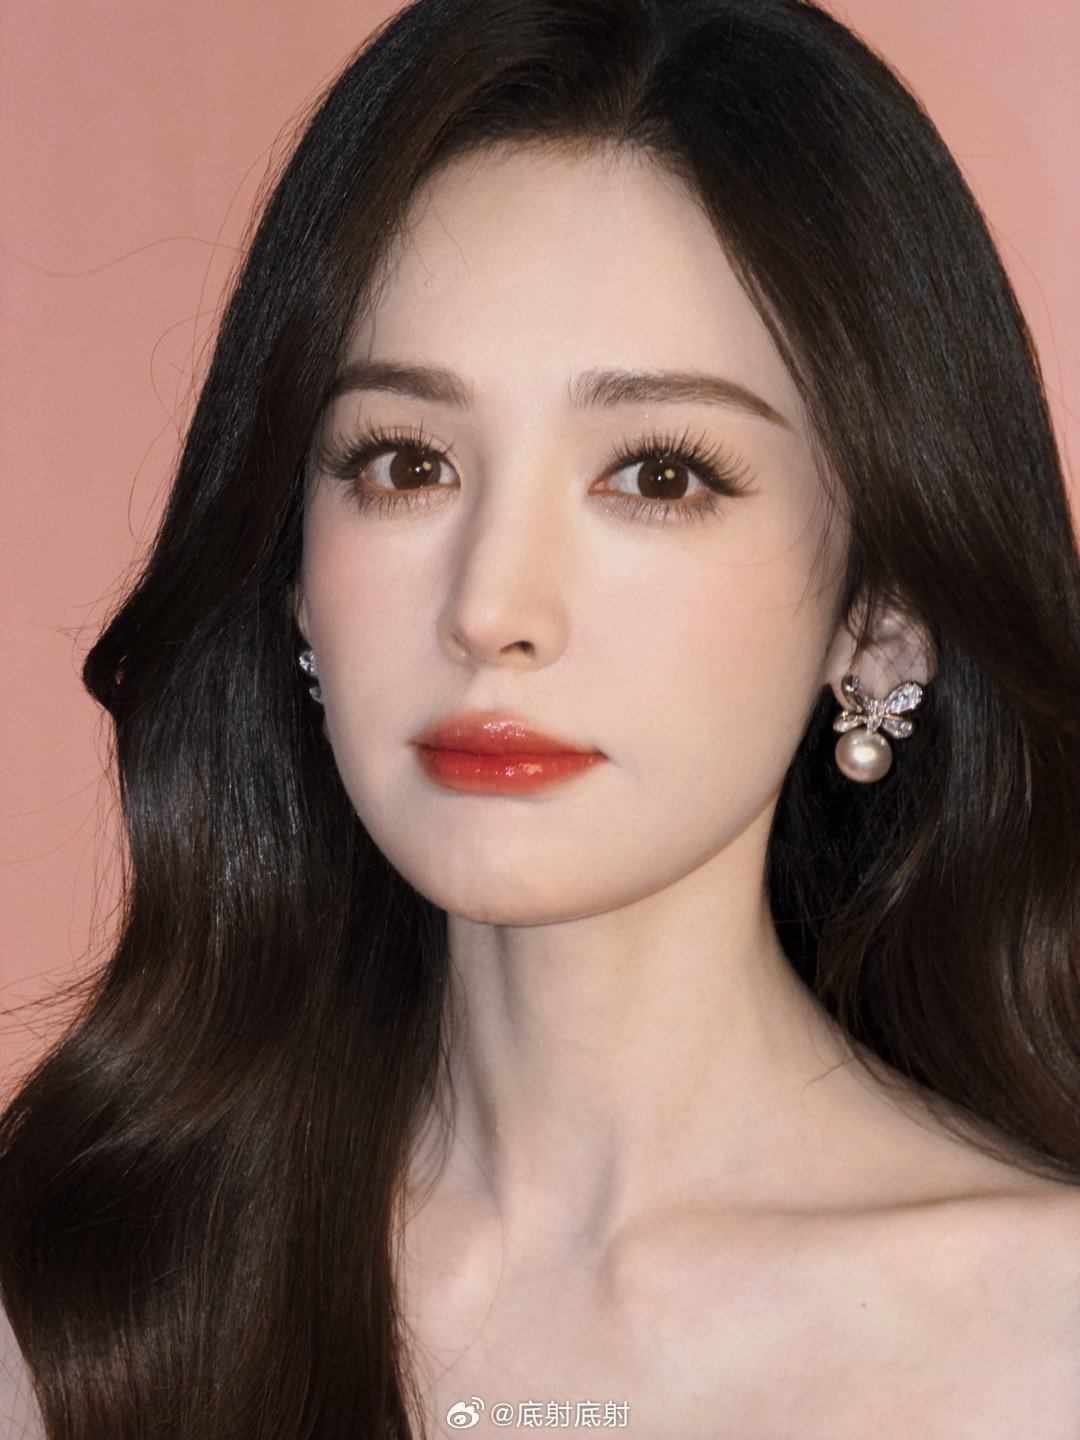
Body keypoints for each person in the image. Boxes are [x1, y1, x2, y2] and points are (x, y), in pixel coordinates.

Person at [2, 0, 1078, 1435]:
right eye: (405, 462)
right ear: (295, 571)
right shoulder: (74, 1300)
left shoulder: (1047, 1336)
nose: (490, 607)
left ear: (878, 613)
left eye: (658, 476)